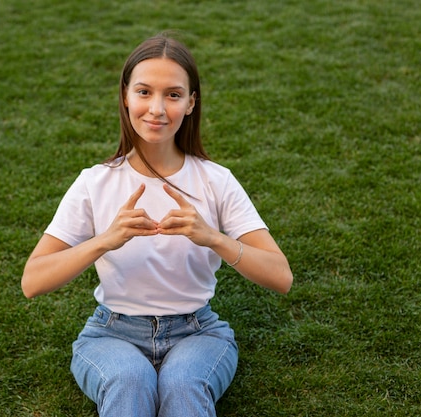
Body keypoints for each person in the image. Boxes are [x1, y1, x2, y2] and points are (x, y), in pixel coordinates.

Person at [21, 33, 293, 417]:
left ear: (190, 103)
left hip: (198, 332)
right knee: (130, 382)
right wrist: (104, 240)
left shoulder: (216, 181)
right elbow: (32, 281)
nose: (157, 109)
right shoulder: (95, 182)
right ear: (126, 96)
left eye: (173, 95)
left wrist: (213, 238)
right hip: (110, 333)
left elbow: (281, 276)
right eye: (145, 92)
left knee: (183, 385)